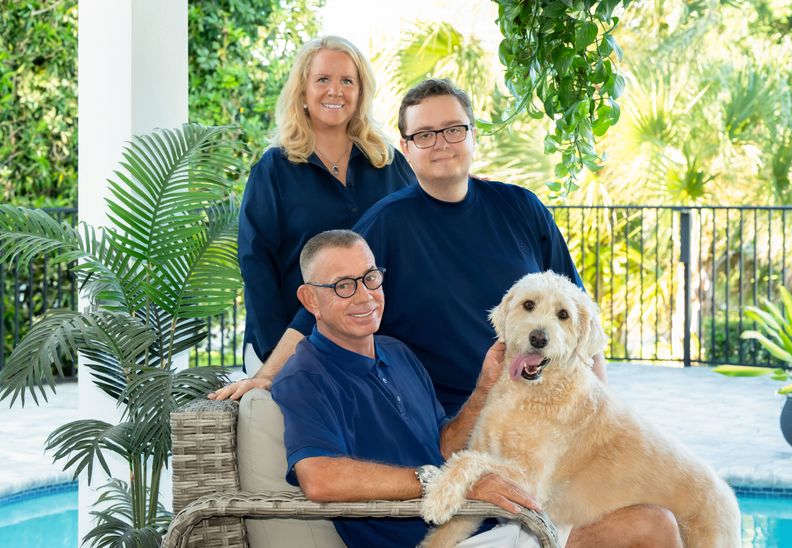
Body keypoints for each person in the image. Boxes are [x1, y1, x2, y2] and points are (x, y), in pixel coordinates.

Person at [216, 79, 683, 546]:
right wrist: (269, 373)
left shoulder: (521, 208)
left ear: (473, 135)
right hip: (469, 441)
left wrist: (599, 413)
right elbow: (327, 304)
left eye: (453, 129)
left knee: (659, 517)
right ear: (406, 147)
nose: (440, 143)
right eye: (425, 134)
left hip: (530, 424)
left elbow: (579, 316)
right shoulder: (387, 223)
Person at [272, 229, 543, 548]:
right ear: (310, 300)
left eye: (370, 277)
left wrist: (484, 389)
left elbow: (442, 448)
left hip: (480, 526)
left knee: (605, 518)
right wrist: (447, 483)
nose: (364, 296)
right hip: (432, 542)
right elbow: (319, 478)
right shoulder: (305, 375)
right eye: (343, 286)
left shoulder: (398, 352)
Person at [235, 35, 415, 381]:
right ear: (303, 91)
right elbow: (256, 266)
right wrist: (281, 355)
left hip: (380, 347)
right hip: (293, 346)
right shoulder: (274, 169)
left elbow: (416, 243)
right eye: (323, 80)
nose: (336, 91)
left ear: (361, 92)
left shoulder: (389, 164)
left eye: (347, 80)